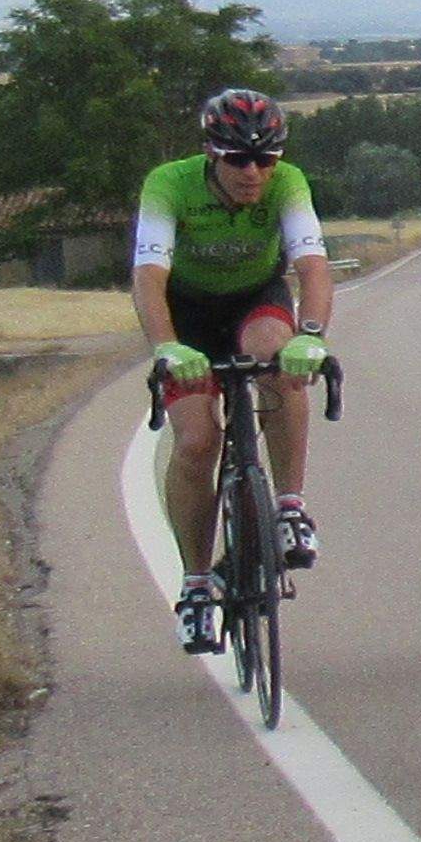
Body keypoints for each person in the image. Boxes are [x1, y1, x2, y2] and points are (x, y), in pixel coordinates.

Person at [135, 87, 335, 653]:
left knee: (280, 356)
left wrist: (313, 337)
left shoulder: (289, 183)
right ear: (210, 154)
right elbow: (148, 276)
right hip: (188, 315)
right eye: (238, 159)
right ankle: (197, 586)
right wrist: (167, 347)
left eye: (266, 159)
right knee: (197, 441)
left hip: (256, 300)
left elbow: (313, 268)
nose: (253, 172)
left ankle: (289, 506)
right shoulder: (169, 184)